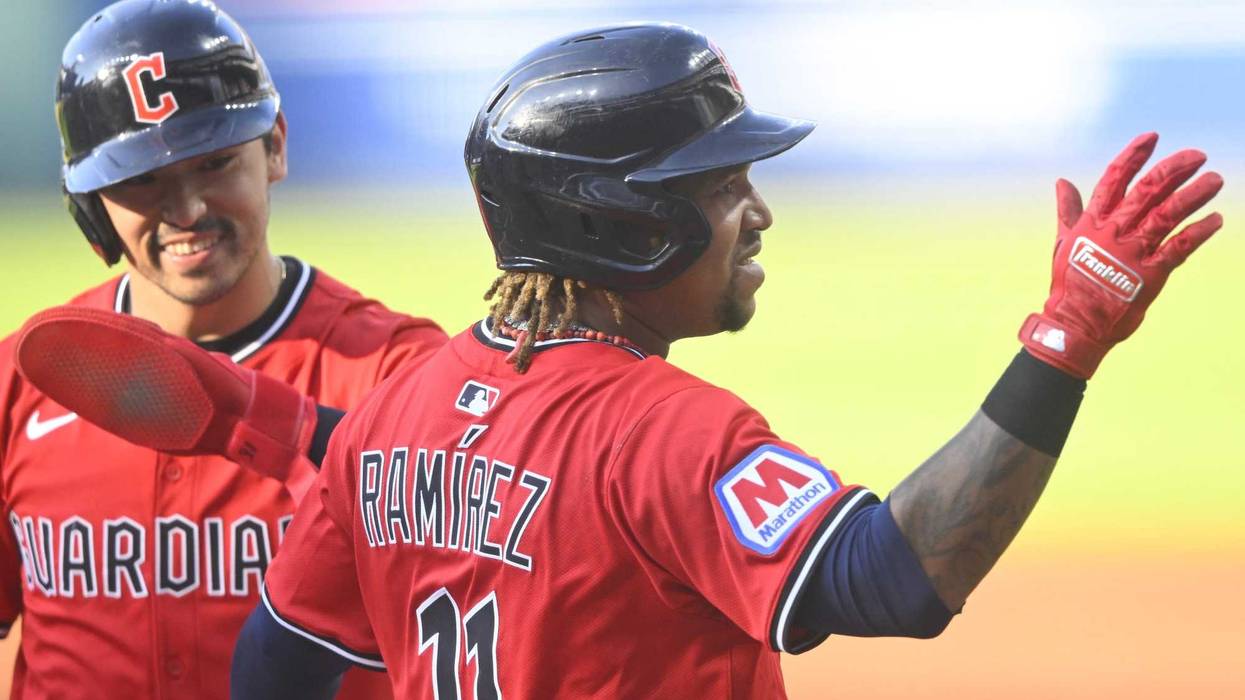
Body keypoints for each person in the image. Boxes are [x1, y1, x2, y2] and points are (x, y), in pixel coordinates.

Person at [12, 23, 1224, 700]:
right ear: (615, 220)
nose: (757, 217)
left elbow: (275, 668)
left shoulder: (406, 406)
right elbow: (894, 582)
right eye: (721, 188)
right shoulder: (666, 432)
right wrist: (1067, 338)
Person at [0, 1, 447, 697]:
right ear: (89, 203)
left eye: (213, 164)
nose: (185, 212)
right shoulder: (23, 378)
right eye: (142, 179)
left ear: (274, 146)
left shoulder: (395, 372)